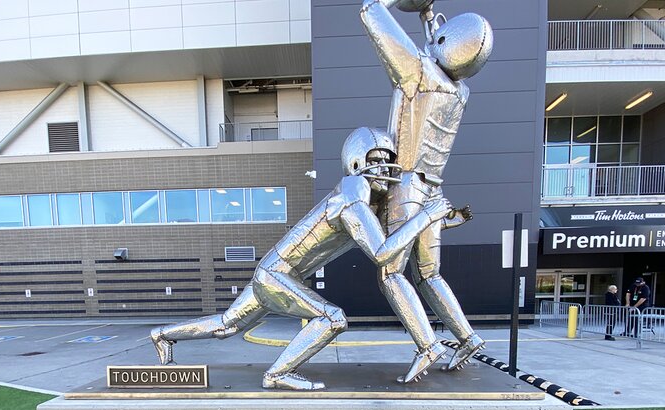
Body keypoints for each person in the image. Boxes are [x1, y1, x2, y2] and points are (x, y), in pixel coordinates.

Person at [150, 127, 455, 390]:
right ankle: (278, 373)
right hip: (277, 275)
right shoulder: (351, 196)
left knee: (226, 325)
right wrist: (427, 215)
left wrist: (436, 221)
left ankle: (162, 334)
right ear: (356, 162)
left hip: (275, 273)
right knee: (332, 318)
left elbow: (394, 233)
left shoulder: (362, 200)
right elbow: (380, 253)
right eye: (376, 160)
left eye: (388, 160)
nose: (385, 167)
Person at [360, 0, 493, 374]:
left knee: (390, 272)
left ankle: (428, 344)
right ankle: (467, 337)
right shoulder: (460, 92)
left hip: (405, 186)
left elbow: (371, 13)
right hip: (435, 190)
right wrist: (425, 18)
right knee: (430, 274)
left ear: (446, 41)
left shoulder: (419, 74)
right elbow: (440, 52)